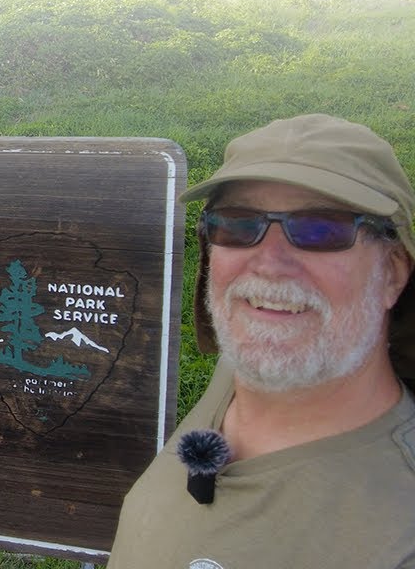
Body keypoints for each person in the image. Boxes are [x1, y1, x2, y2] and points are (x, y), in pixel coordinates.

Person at [107, 114, 415, 568]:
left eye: (321, 229)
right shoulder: (252, 365)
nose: (269, 264)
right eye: (238, 224)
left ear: (393, 272)